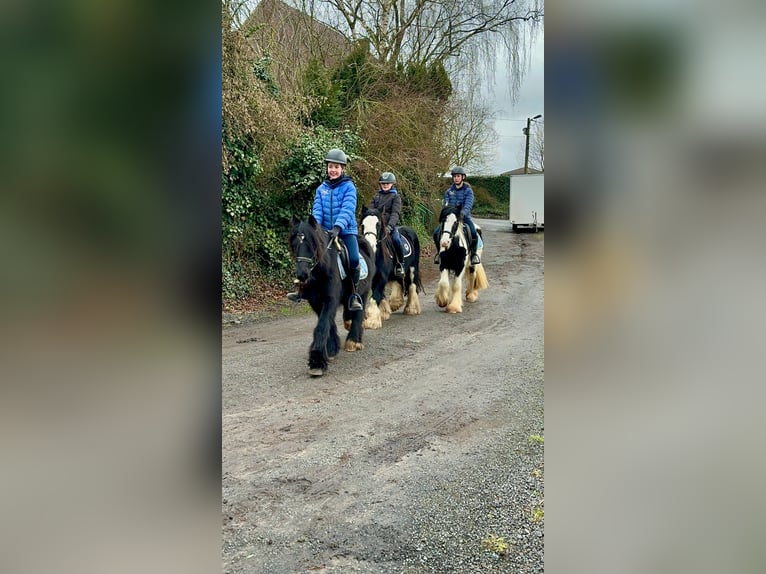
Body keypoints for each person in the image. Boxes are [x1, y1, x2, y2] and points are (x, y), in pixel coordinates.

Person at [287, 148, 364, 311]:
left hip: (346, 231)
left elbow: (348, 209)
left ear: (343, 169)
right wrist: (317, 229)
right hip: (325, 231)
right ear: (327, 168)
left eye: (336, 167)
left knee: (354, 260)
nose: (333, 170)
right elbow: (317, 211)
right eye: (330, 167)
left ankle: (354, 295)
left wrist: (337, 227)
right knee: (308, 255)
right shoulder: (321, 188)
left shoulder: (349, 187)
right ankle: (301, 289)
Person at [432, 166, 481, 265]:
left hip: (464, 218)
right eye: (454, 176)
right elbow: (446, 205)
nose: (456, 178)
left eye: (458, 176)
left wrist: (462, 214)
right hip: (450, 219)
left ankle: (474, 255)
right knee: (436, 233)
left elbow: (468, 204)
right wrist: (446, 214)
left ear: (463, 177)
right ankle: (438, 254)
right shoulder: (449, 192)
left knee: (473, 232)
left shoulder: (468, 191)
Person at [369, 172, 405, 277]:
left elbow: (395, 213)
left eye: (387, 183)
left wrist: (390, 226)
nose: (385, 185)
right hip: (377, 226)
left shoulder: (396, 197)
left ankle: (400, 264)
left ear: (392, 184)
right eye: (383, 183)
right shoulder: (376, 197)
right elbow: (371, 212)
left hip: (390, 226)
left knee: (396, 240)